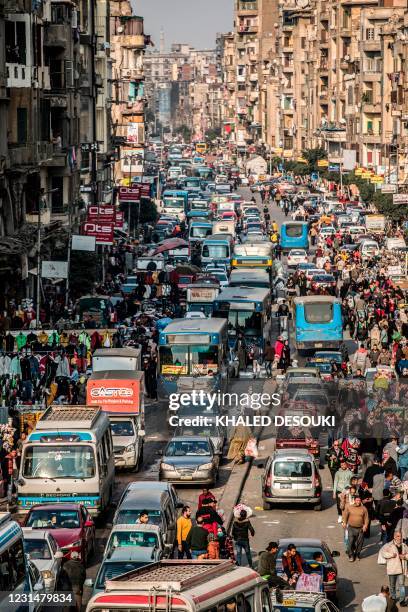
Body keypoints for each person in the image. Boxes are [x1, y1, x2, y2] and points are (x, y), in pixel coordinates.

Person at [381, 531, 408, 606]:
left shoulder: (404, 546)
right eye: (398, 536)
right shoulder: (388, 545)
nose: (399, 538)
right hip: (392, 569)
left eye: (400, 536)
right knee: (392, 585)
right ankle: (393, 597)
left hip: (401, 569)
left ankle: (402, 601)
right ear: (394, 537)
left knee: (402, 585)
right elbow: (383, 553)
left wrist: (405, 556)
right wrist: (391, 555)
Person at [342, 495, 369, 561]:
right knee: (350, 542)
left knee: (360, 543)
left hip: (360, 529)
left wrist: (365, 525)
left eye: (359, 500)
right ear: (354, 501)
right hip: (351, 528)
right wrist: (344, 523)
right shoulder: (349, 507)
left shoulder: (364, 508)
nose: (358, 502)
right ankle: (351, 556)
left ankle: (357, 555)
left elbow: (366, 518)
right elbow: (345, 516)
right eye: (357, 500)